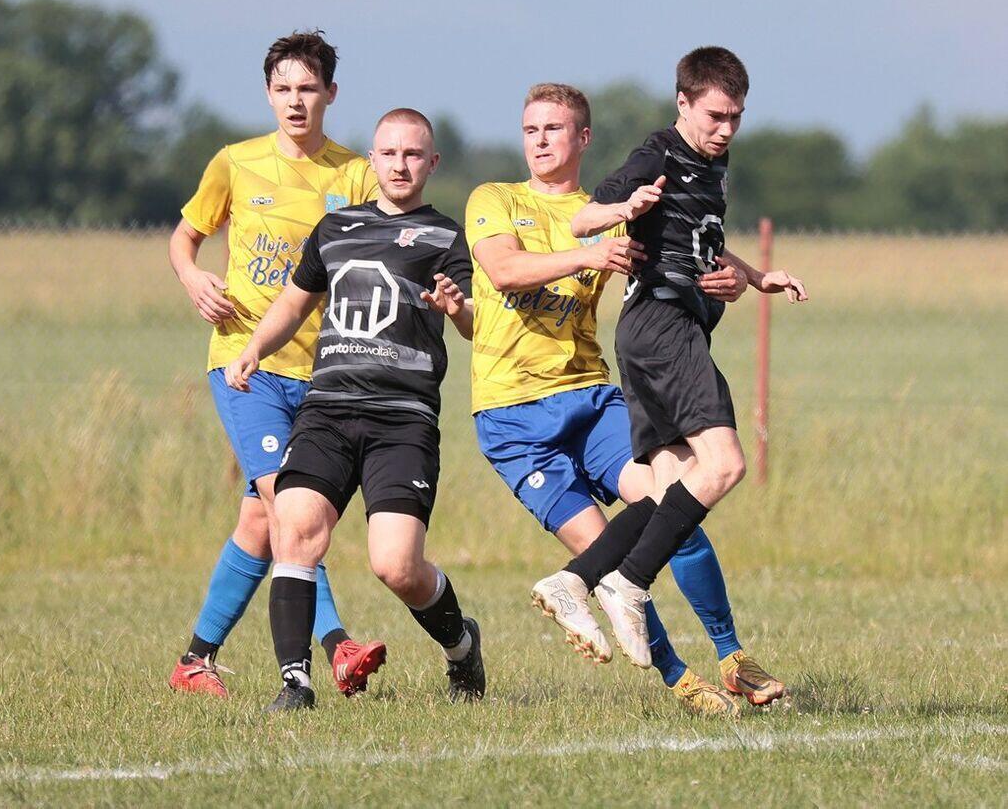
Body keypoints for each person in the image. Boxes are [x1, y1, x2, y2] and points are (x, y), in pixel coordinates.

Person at [469, 82, 785, 714]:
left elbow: (688, 238)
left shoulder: (614, 206)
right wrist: (587, 254)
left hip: (589, 395)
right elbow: (504, 272)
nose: (539, 141)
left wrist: (734, 276)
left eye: (554, 129)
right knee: (598, 544)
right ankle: (681, 680)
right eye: (530, 130)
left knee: (675, 501)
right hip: (512, 414)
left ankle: (732, 657)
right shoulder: (496, 198)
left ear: (583, 138)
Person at [545, 49, 807, 703]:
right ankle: (628, 582)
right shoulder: (657, 153)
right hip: (663, 329)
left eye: (735, 117)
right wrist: (622, 207)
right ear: (683, 103)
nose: (725, 129)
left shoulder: (714, 164)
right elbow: (581, 219)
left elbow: (700, 241)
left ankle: (576, 579)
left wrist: (755, 277)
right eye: (715, 116)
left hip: (651, 336)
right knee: (725, 464)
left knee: (669, 492)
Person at [226, 108, 483, 711]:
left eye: (412, 154)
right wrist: (255, 348)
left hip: (403, 418)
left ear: (432, 163)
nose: (400, 164)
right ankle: (296, 683)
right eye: (389, 153)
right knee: (295, 529)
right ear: (372, 160)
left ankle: (462, 645)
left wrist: (456, 308)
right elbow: (294, 303)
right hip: (328, 410)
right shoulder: (335, 227)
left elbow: (475, 322)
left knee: (396, 566)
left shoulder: (446, 237)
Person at [167, 31, 385, 698]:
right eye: (283, 88)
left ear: (330, 94)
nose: (295, 100)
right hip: (245, 365)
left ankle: (195, 660)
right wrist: (192, 277)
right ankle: (338, 645)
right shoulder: (235, 163)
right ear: (268, 94)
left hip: (323, 375)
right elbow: (185, 237)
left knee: (262, 522)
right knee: (289, 509)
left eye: (308, 88)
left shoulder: (355, 175)